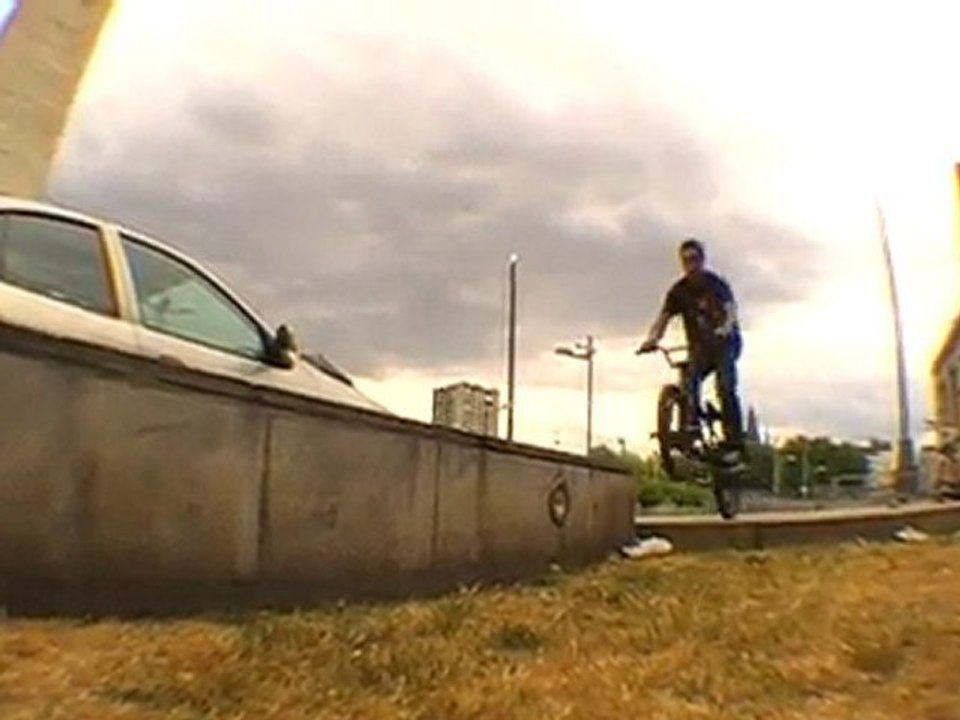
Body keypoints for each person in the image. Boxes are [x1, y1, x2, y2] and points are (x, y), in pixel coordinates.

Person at [638, 238, 746, 465]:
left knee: (725, 386)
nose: (691, 265)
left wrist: (725, 327)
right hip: (701, 348)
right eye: (686, 261)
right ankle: (690, 427)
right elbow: (663, 317)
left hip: (726, 344)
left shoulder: (716, 284)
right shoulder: (678, 291)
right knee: (689, 380)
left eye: (695, 260)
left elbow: (731, 310)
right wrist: (652, 339)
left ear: (702, 260)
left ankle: (734, 444)